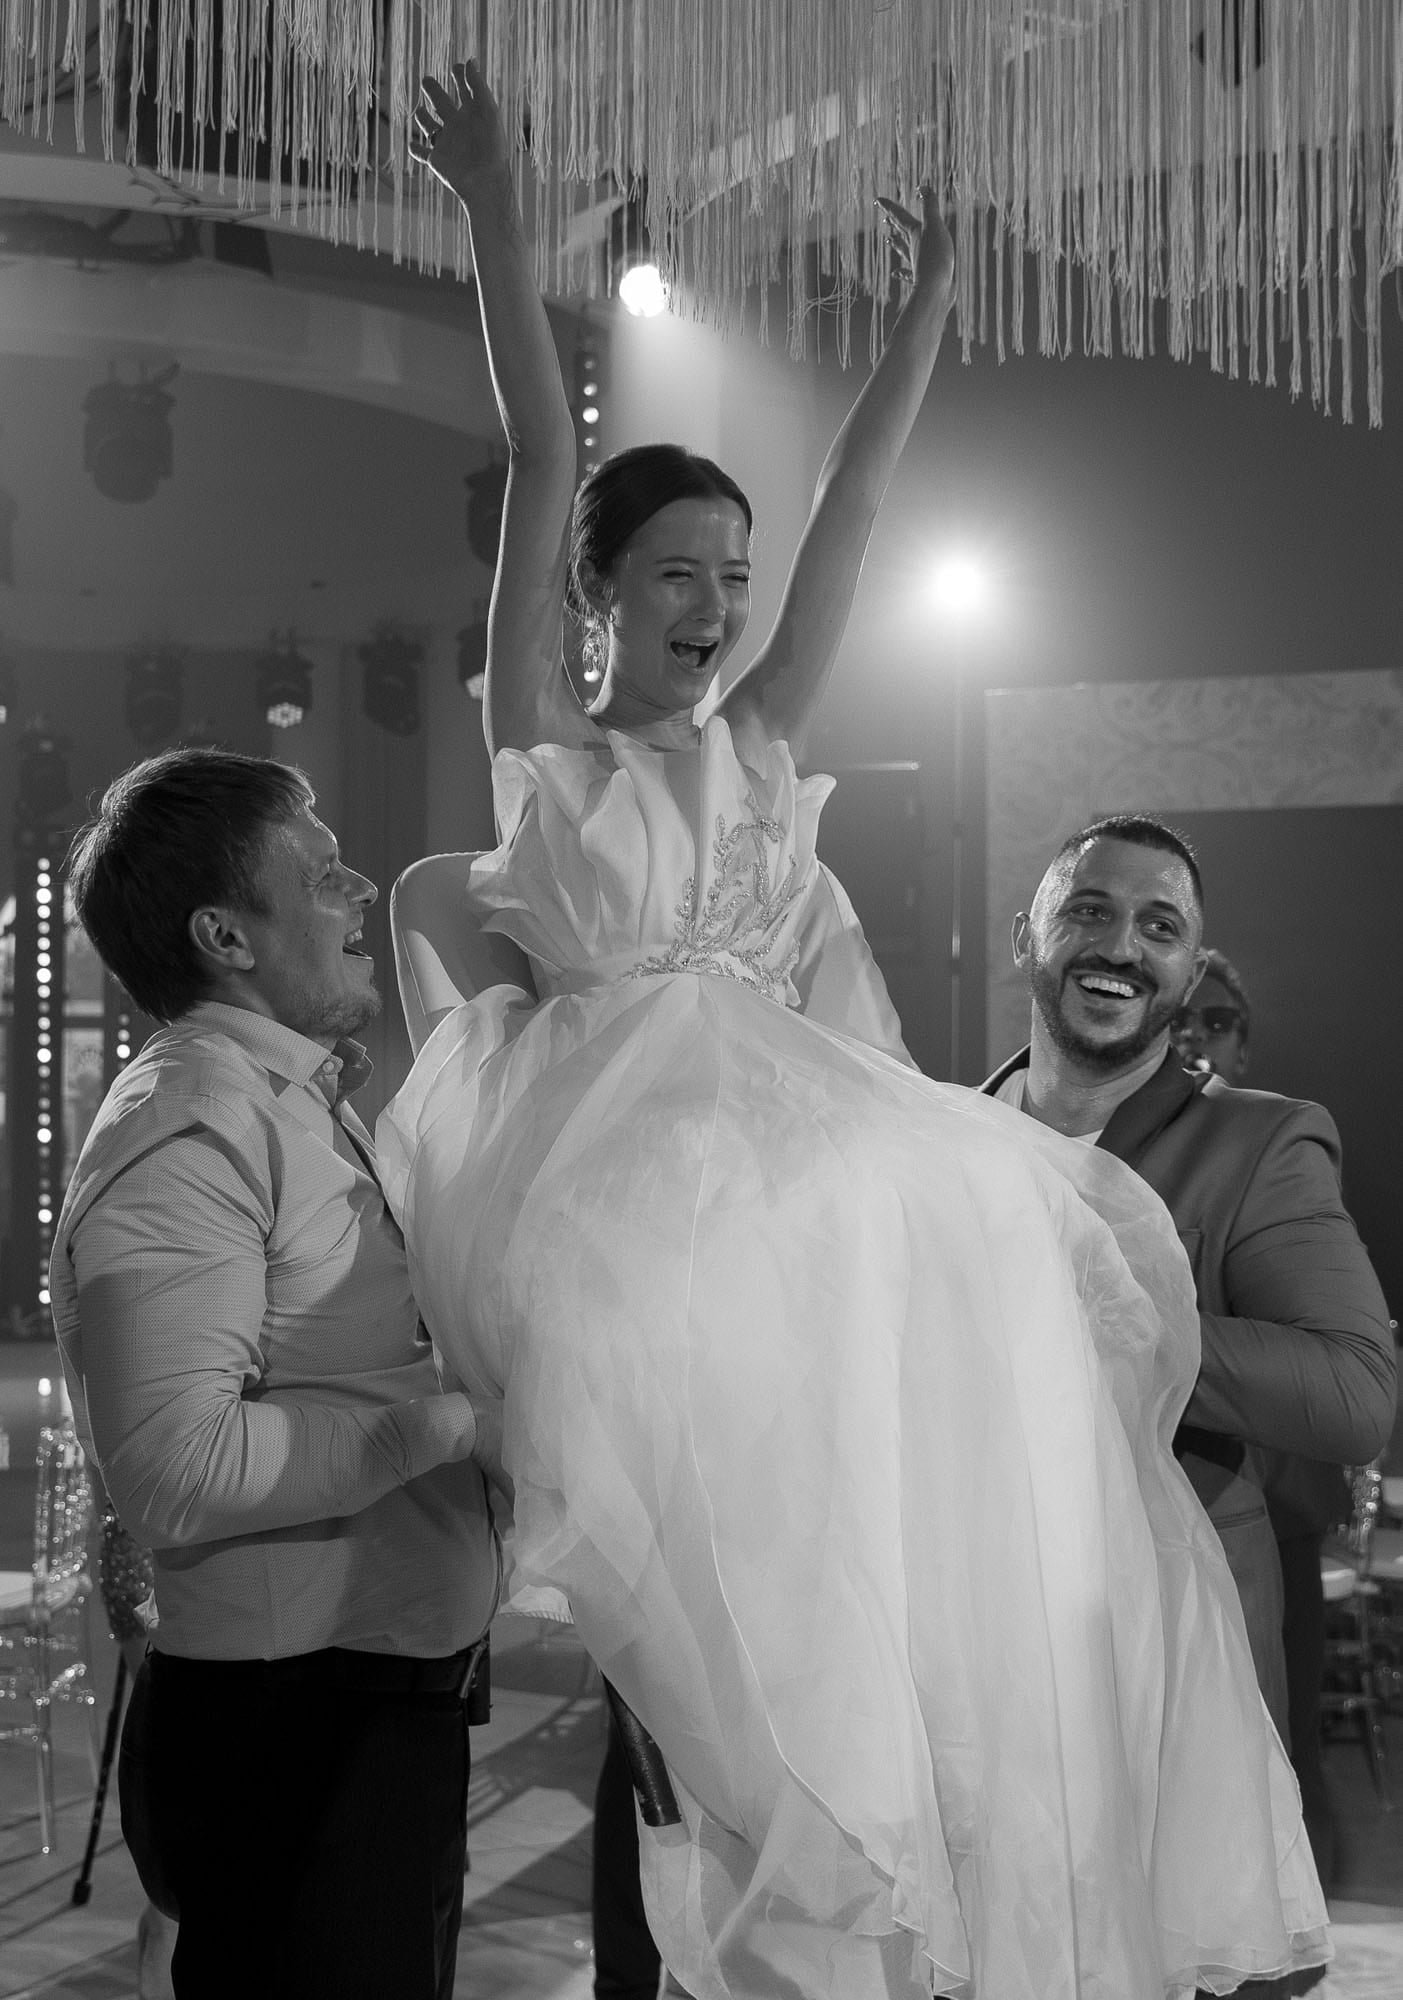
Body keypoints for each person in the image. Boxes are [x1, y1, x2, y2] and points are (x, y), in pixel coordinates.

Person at [383, 61, 1330, 2000]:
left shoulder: (756, 740)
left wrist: (922, 314)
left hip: (789, 1197)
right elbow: (539, 449)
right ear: (592, 593)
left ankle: (875, 1898)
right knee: (704, 1657)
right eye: (676, 576)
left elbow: (862, 509)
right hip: (623, 1207)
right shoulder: (544, 744)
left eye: (729, 581)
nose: (715, 607)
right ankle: (744, 1890)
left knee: (876, 1595)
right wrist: (496, 215)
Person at [48, 747, 503, 2000]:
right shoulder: (188, 1125)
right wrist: (460, 1424)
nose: (361, 891)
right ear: (224, 935)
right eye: (320, 872)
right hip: (294, 1733)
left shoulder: (285, 1099)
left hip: (367, 1707)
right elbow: (175, 1468)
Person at [986, 821, 1396, 1745]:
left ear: (1189, 968)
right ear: (1025, 938)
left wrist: (1097, 1316)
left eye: (1159, 927)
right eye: (1089, 912)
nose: (1121, 948)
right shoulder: (942, 1138)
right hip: (971, 1640)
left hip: (1166, 1663)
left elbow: (1354, 1394)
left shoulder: (1257, 1142)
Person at [1171, 950, 1355, 1884]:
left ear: (1242, 1041)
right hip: (1167, 1501)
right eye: (1185, 1017)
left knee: (1281, 1748)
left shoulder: (1274, 1146)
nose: (1197, 1034)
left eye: (1218, 1020)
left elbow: (1332, 1359)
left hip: (1275, 1505)